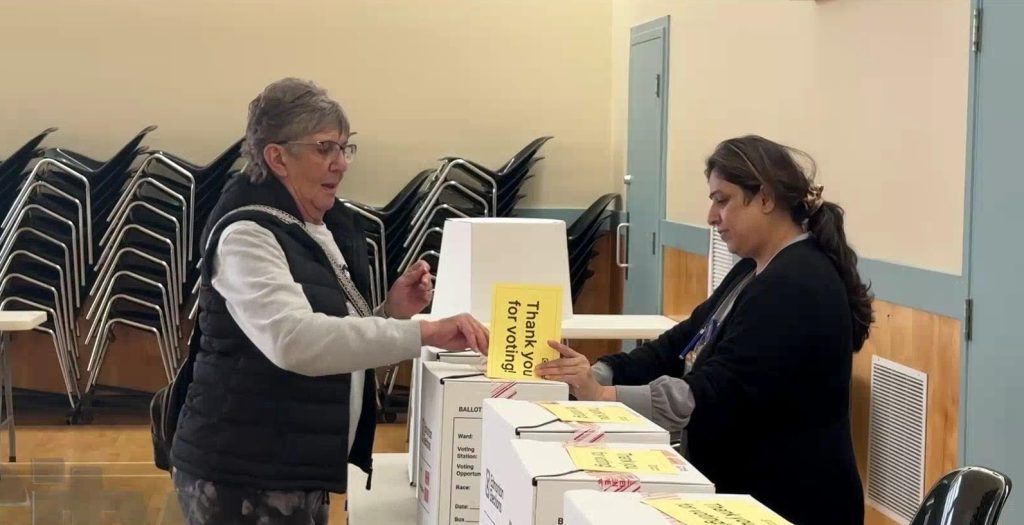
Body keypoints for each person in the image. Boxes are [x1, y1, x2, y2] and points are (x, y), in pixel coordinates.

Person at [169, 78, 489, 524]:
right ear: (277, 156)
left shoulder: (316, 221)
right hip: (243, 472)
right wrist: (424, 332)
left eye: (344, 148)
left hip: (289, 463)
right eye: (325, 148)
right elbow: (294, 340)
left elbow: (327, 330)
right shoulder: (247, 234)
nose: (340, 164)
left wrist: (389, 312)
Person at [538, 135, 871, 525]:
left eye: (722, 199)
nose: (712, 216)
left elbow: (717, 391)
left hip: (789, 505)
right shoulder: (753, 269)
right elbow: (679, 345)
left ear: (764, 198)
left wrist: (603, 394)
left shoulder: (796, 283)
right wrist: (598, 371)